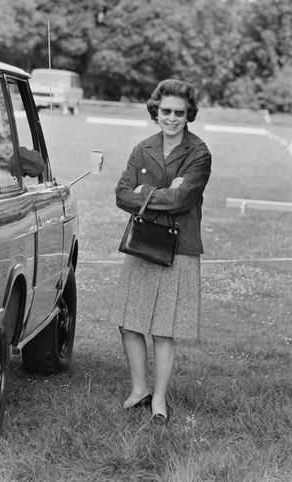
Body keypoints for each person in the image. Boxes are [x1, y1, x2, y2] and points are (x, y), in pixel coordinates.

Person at [110, 79, 211, 424]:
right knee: (129, 324)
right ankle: (139, 390)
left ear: (188, 115)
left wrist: (145, 192)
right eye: (166, 111)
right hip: (142, 245)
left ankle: (159, 400)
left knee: (164, 329)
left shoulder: (199, 153)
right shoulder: (142, 148)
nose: (171, 118)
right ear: (156, 111)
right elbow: (122, 194)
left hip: (180, 247)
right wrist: (162, 192)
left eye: (179, 113)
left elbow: (183, 200)